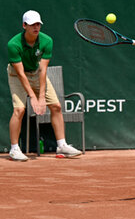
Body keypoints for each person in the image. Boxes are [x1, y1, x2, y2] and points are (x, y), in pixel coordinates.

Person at [7, 10, 82, 161]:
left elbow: (43, 70)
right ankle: (14, 149)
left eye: (38, 24)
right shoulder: (13, 44)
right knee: (19, 109)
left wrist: (41, 97)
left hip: (36, 73)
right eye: (32, 24)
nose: (36, 27)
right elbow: (21, 74)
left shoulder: (47, 41)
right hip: (17, 75)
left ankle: (61, 145)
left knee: (56, 106)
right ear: (24, 25)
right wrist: (33, 97)